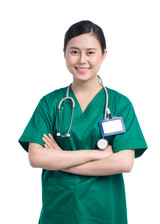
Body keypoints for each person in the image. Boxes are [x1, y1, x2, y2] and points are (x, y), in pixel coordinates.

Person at [19, 20, 147, 224]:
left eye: (90, 52)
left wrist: (61, 160)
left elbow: (124, 162)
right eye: (74, 51)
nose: (82, 60)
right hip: (60, 211)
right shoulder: (50, 103)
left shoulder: (119, 104)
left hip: (105, 212)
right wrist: (96, 155)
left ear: (103, 55)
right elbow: (36, 157)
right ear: (64, 54)